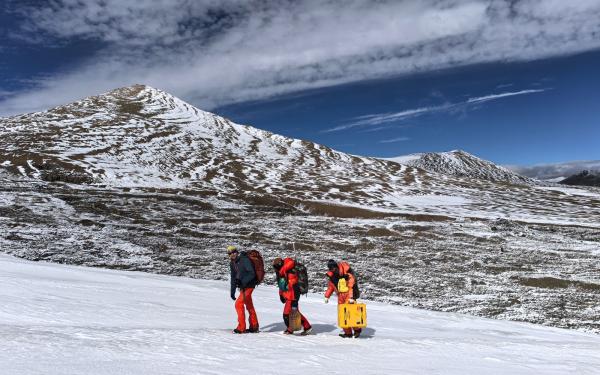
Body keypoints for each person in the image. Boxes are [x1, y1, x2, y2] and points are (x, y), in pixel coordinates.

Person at [273, 257, 312, 335]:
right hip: (288, 295)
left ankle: (291, 329)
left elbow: (291, 263)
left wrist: (282, 270)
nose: (276, 269)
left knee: (287, 314)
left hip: (293, 295)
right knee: (294, 312)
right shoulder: (282, 272)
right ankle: (307, 327)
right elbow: (281, 284)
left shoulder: (288, 268)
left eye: (276, 267)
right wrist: (281, 294)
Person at [324, 259, 361, 338]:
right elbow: (331, 287)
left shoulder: (347, 274)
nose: (333, 270)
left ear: (336, 266)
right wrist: (326, 296)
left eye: (333, 268)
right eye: (331, 268)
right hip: (340, 295)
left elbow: (351, 285)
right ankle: (348, 333)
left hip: (349, 294)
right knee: (342, 314)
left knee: (350, 313)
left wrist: (351, 297)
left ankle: (357, 330)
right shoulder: (333, 277)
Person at [228, 245, 259, 334]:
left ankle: (241, 328)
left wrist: (243, 282)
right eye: (230, 253)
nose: (232, 255)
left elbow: (252, 273)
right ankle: (254, 326)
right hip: (243, 287)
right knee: (249, 305)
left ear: (237, 252)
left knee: (238, 304)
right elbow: (233, 278)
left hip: (249, 285)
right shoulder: (232, 263)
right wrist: (232, 292)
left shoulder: (244, 260)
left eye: (233, 252)